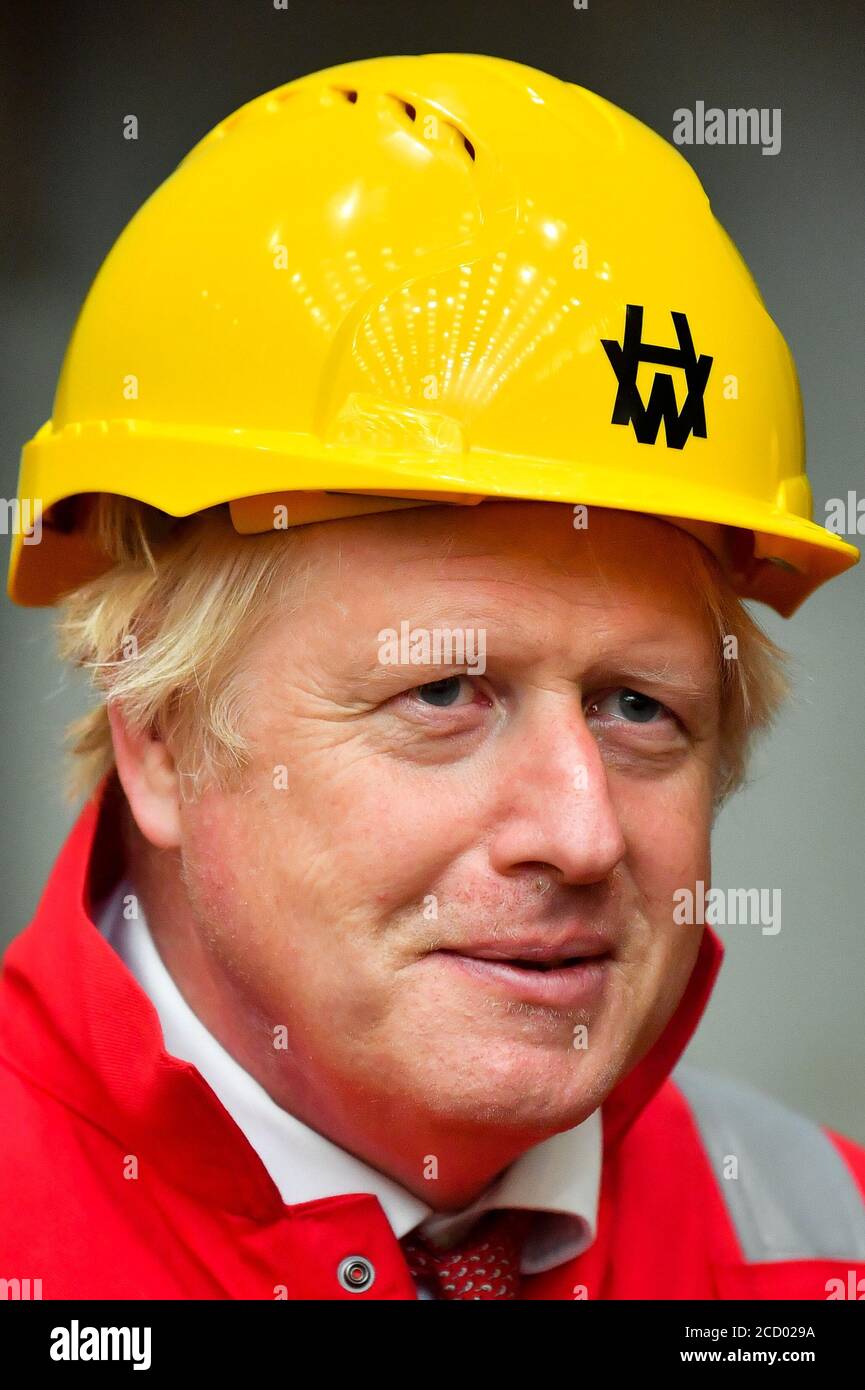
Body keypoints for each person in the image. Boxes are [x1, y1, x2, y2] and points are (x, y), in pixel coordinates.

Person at [1, 53, 863, 1302]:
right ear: (162, 738)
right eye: (445, 693)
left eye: (639, 706)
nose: (579, 832)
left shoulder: (818, 1242)